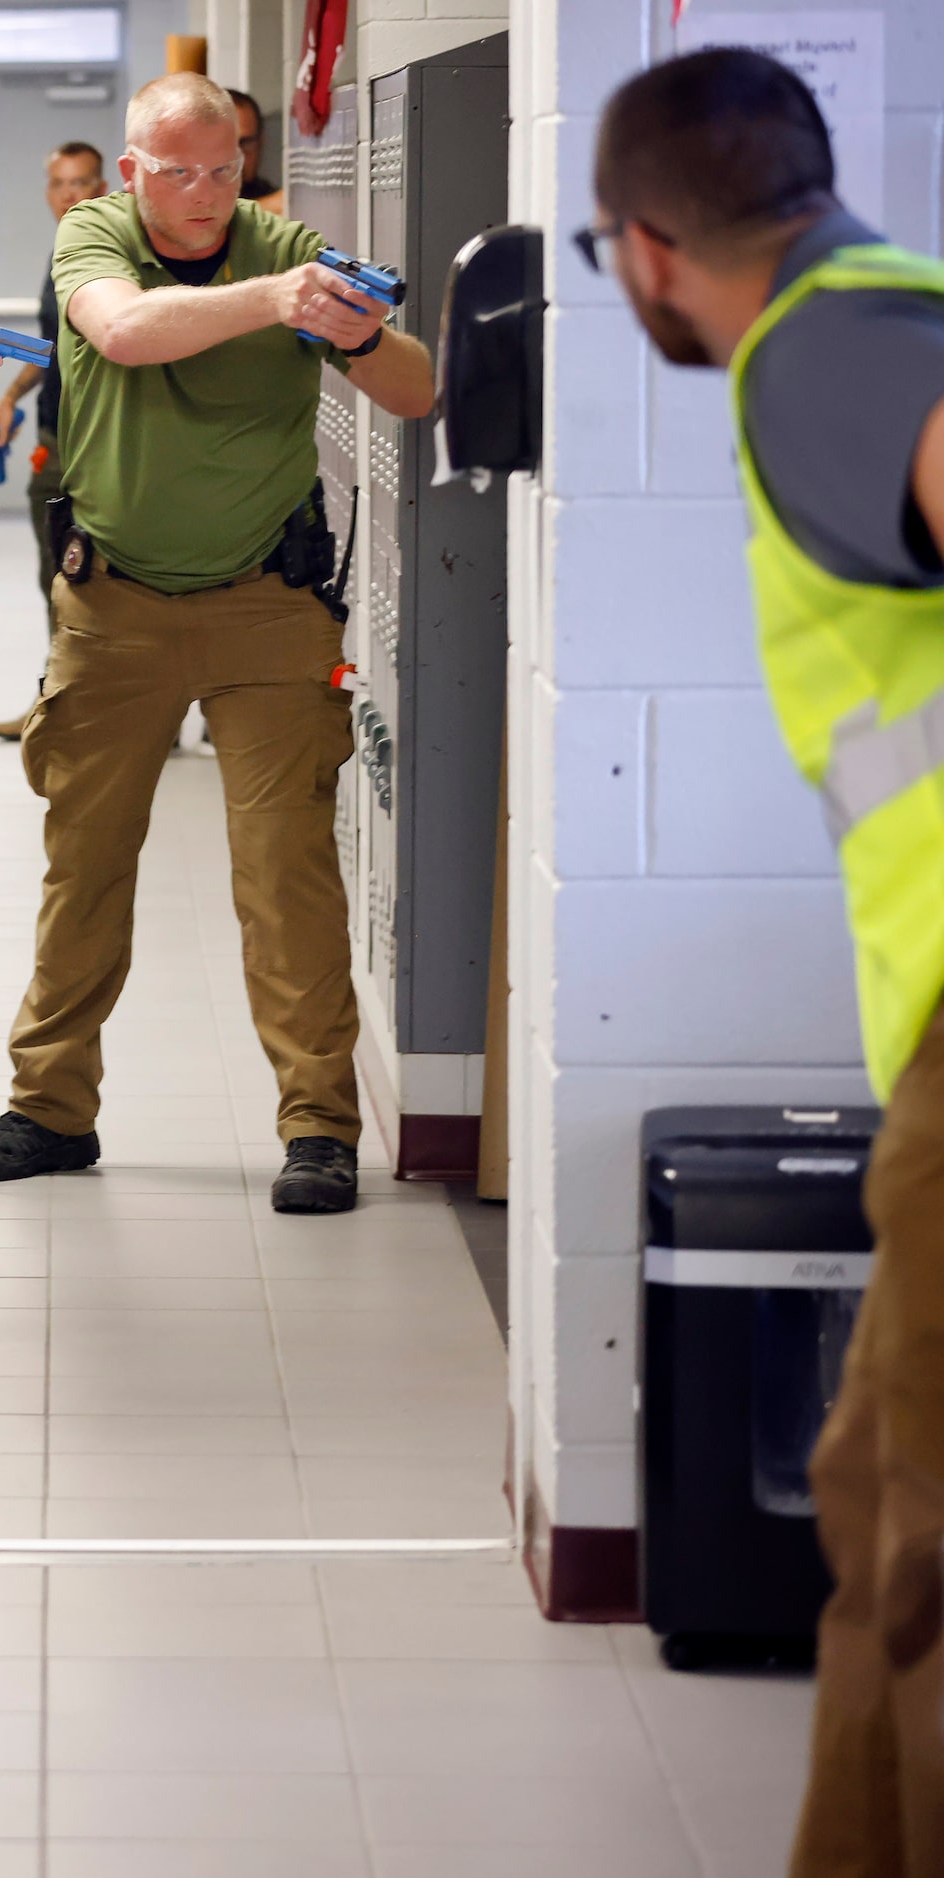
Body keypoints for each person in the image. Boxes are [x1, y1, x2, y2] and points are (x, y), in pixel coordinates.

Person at [586, 49, 944, 1876]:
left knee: (915, 1533)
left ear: (647, 247)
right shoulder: (872, 319)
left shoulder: (827, 347)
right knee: (886, 1510)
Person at [0, 71, 433, 1216]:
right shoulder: (95, 235)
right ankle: (50, 1110)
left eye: (222, 169)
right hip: (112, 609)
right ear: (130, 172)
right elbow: (123, 330)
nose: (205, 194)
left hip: (268, 604)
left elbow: (416, 390)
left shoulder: (288, 243)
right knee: (86, 863)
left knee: (286, 875)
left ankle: (317, 1127)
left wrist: (358, 336)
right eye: (177, 172)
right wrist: (275, 304)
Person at [0, 140, 110, 741]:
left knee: (105, 577)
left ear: (104, 184)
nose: (70, 195)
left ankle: (132, 713)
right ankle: (59, 702)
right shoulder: (62, 250)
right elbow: (53, 347)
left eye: (82, 182)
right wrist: (12, 395)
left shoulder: (113, 252)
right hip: (53, 433)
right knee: (55, 574)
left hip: (101, 443)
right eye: (60, 184)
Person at [228, 88, 282, 203]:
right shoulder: (188, 191)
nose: (237, 157)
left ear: (261, 142)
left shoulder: (269, 194)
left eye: (246, 143)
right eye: (226, 144)